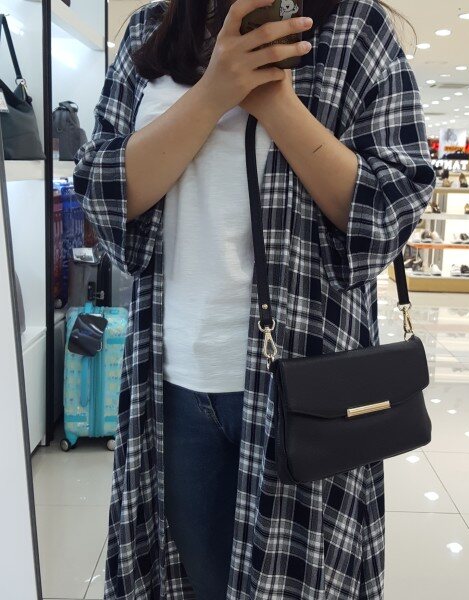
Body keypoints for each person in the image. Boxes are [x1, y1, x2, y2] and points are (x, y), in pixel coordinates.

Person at [73, 0, 435, 598]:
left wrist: (275, 104)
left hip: (310, 382)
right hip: (172, 382)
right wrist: (214, 92)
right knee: (195, 580)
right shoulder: (153, 29)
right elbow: (104, 195)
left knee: (301, 581)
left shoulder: (354, 27)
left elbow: (389, 215)